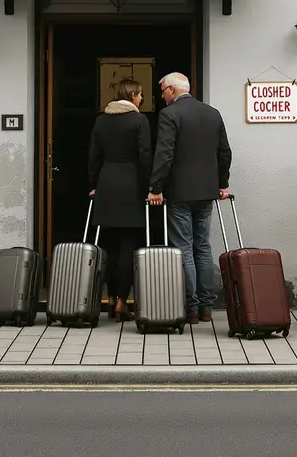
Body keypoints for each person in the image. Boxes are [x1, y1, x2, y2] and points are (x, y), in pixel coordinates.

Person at [147, 72, 232, 324]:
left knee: (183, 248)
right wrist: (221, 184)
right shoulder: (212, 113)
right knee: (203, 247)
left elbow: (164, 153)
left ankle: (191, 308)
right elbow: (224, 152)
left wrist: (156, 187)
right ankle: (207, 307)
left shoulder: (169, 115)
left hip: (180, 192)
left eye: (163, 91)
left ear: (172, 89)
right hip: (206, 192)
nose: (161, 97)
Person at [88, 78, 152, 323]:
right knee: (128, 245)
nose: (142, 99)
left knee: (110, 245)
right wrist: (151, 187)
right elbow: (145, 156)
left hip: (107, 183)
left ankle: (111, 296)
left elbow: (93, 155)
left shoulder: (101, 120)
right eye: (141, 95)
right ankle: (123, 301)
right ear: (133, 94)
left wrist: (94, 185)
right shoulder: (139, 120)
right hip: (132, 185)